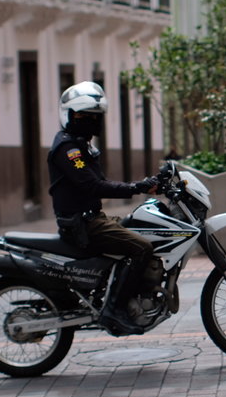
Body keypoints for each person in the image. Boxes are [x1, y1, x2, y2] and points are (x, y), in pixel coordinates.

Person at [48, 81, 161, 334]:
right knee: (142, 249)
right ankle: (115, 310)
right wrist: (137, 187)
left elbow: (97, 183)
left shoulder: (77, 143)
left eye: (95, 116)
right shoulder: (68, 149)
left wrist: (146, 185)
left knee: (140, 225)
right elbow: (94, 186)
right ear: (70, 115)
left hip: (91, 218)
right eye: (84, 116)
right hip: (83, 224)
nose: (91, 121)